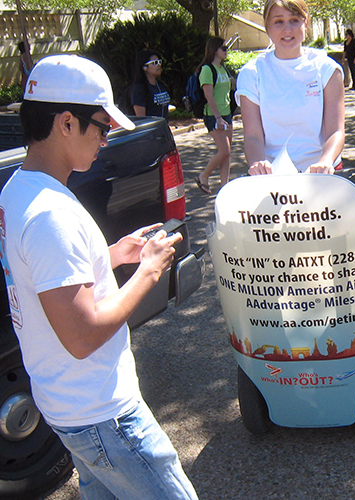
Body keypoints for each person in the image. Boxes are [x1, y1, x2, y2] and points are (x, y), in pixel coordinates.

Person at [0, 54, 198, 499]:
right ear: (66, 122)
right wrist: (147, 270)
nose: (106, 139)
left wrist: (109, 255)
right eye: (102, 127)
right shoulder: (50, 214)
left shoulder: (19, 189)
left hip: (68, 408)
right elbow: (83, 335)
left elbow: (47, 281)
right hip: (105, 415)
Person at [236, 0, 344, 175]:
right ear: (267, 26)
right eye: (278, 21)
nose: (287, 29)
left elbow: (336, 131)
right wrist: (258, 164)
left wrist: (325, 161)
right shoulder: (252, 73)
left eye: (294, 20)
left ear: (306, 22)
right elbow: (253, 136)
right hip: (275, 176)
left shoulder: (327, 69)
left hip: (321, 175)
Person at [195, 37, 233, 194]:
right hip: (214, 115)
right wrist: (217, 117)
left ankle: (225, 186)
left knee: (227, 153)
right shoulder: (207, 69)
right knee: (224, 151)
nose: (226, 51)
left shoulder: (223, 68)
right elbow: (209, 96)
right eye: (223, 48)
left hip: (227, 113)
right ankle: (203, 176)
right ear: (214, 50)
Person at [130, 49, 171, 119]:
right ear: (145, 67)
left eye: (159, 62)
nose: (159, 65)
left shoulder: (160, 85)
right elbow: (141, 118)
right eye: (155, 63)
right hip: (151, 129)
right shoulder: (139, 88)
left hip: (163, 128)